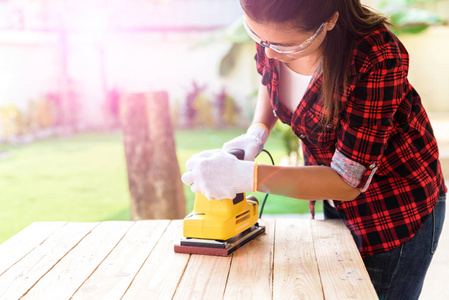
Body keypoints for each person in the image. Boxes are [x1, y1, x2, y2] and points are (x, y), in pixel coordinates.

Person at [181, 0, 446, 299]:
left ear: (330, 21)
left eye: (284, 45)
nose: (268, 52)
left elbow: (347, 182)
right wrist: (257, 131)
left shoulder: (377, 56)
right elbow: (271, 77)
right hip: (329, 197)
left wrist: (245, 176)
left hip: (392, 208)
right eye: (258, 38)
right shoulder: (274, 29)